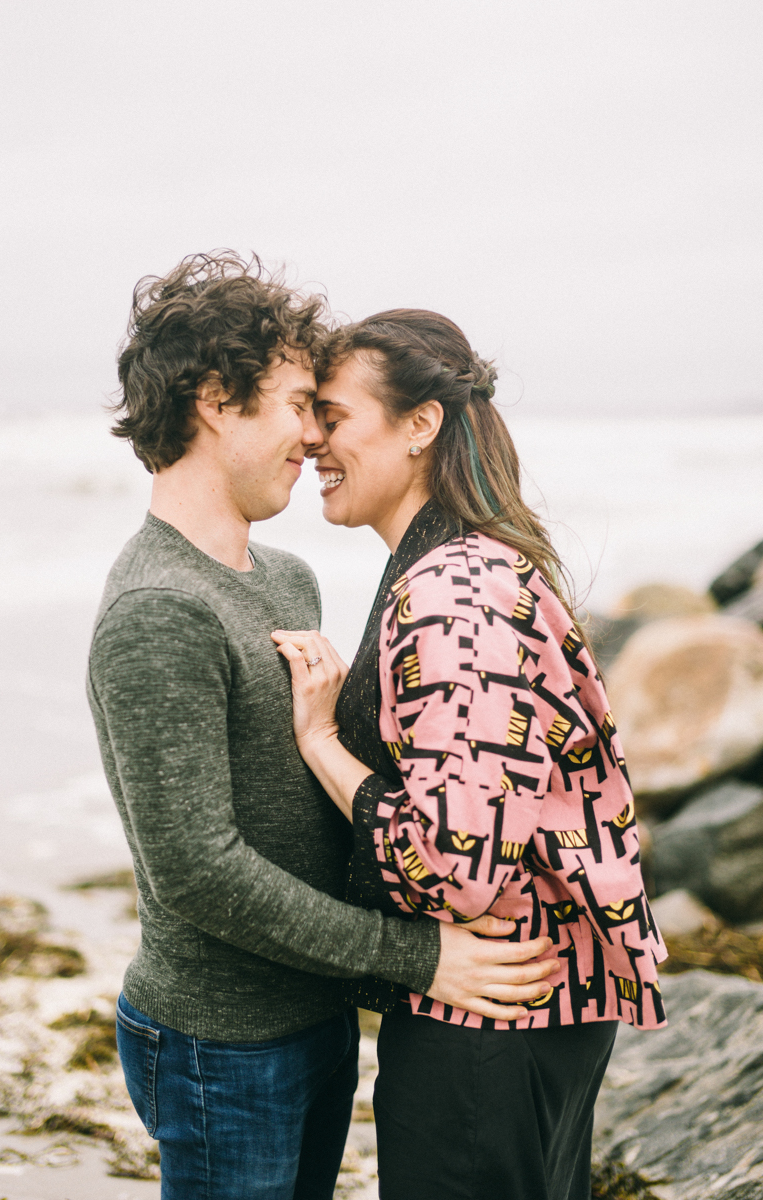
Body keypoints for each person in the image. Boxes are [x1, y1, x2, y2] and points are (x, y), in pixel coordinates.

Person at [87, 257, 560, 1200]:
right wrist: (421, 958)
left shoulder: (287, 578)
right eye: (299, 405)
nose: (312, 436)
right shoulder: (157, 610)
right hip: (219, 1044)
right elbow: (198, 870)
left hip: (319, 1014)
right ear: (219, 400)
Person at [272, 308, 668, 1200]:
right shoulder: (476, 564)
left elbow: (459, 866)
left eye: (331, 415)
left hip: (492, 1015)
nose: (309, 441)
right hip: (530, 1002)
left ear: (421, 425)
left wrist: (320, 742)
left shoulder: (454, 590)